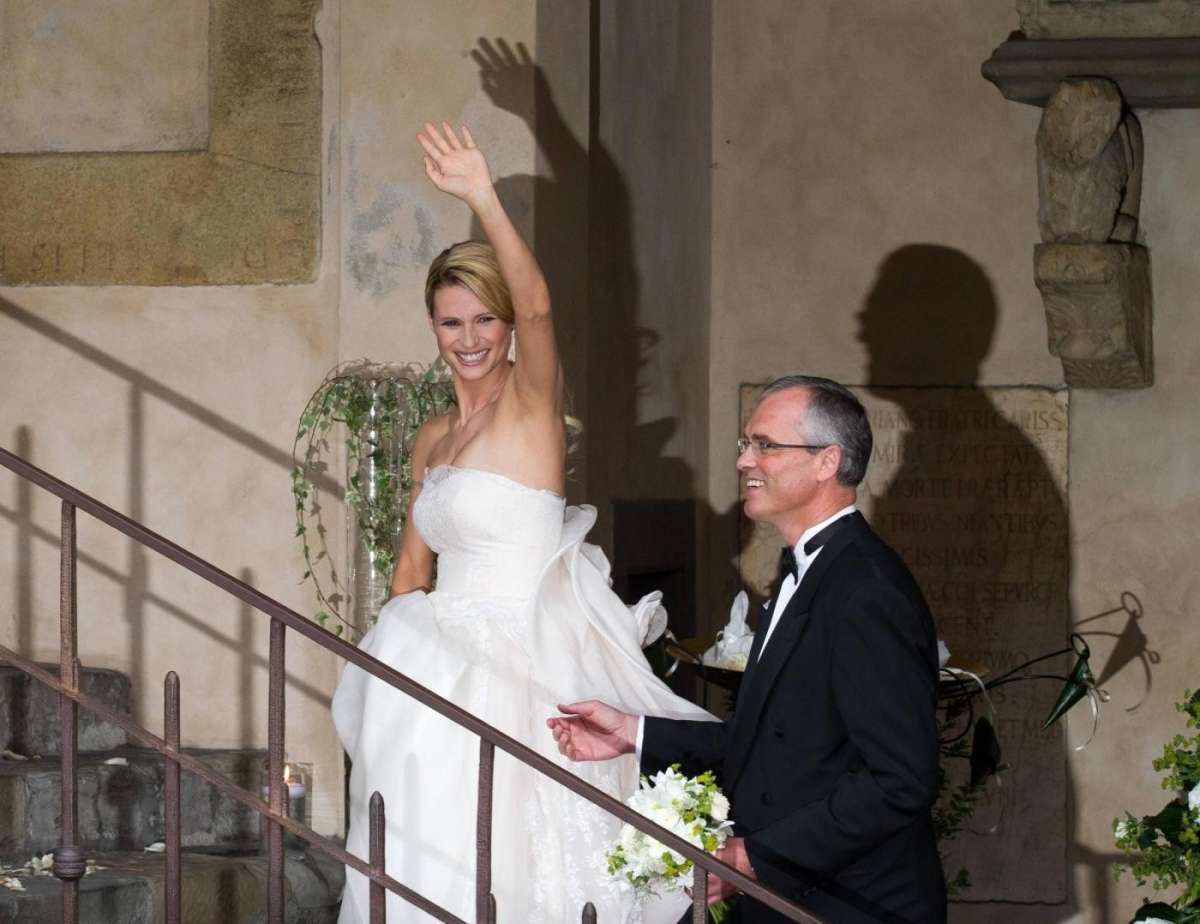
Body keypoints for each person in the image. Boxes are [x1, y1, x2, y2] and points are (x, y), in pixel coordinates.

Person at [331, 122, 715, 924]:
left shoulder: (531, 406)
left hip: (523, 663)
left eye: (484, 320)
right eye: (450, 322)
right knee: (422, 851)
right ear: (431, 328)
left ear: (505, 326)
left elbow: (540, 306)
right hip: (435, 664)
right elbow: (410, 570)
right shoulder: (435, 435)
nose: (468, 340)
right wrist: (385, 679)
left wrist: (481, 194)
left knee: (525, 858)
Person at [548, 377, 947, 924]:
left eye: (766, 445)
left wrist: (756, 856)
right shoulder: (809, 569)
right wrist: (633, 733)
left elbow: (900, 780)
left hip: (847, 903)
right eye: (746, 444)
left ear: (827, 461)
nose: (744, 462)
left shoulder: (867, 590)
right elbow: (777, 740)